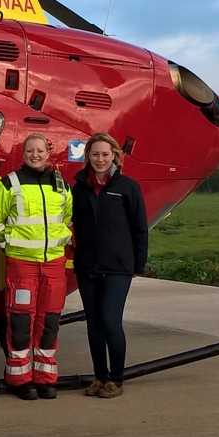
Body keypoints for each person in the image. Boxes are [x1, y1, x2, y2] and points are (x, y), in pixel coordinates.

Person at [0, 134, 72, 400]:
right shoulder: (9, 184)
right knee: (21, 321)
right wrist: (10, 246)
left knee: (49, 321)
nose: (35, 155)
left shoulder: (61, 186)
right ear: (22, 153)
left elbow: (67, 218)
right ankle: (19, 379)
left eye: (39, 151)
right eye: (30, 151)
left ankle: (45, 378)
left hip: (53, 263)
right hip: (22, 264)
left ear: (48, 154)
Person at [71, 133, 148, 399]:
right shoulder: (78, 188)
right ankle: (99, 376)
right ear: (88, 157)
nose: (100, 159)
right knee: (93, 323)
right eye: (95, 154)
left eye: (105, 154)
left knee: (110, 321)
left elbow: (140, 228)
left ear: (114, 155)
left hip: (117, 267)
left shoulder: (127, 187)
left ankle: (116, 378)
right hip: (87, 266)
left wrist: (138, 263)